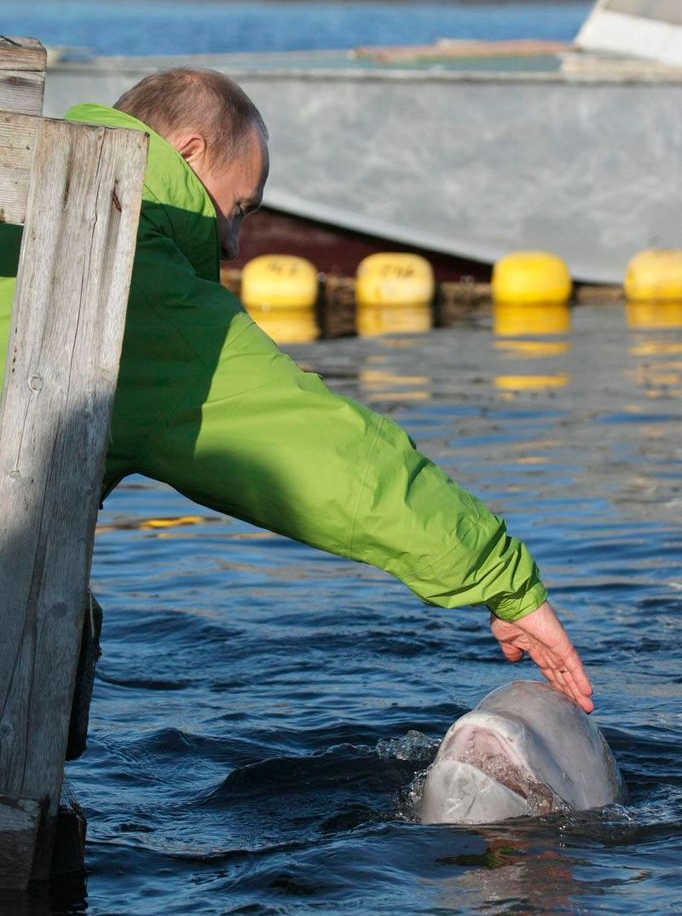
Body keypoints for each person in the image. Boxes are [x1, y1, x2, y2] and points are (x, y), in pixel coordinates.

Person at [0, 69, 593, 714]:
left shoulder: (19, 210)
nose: (231, 242)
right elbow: (329, 461)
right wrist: (503, 580)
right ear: (191, 152)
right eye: (241, 208)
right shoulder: (134, 283)